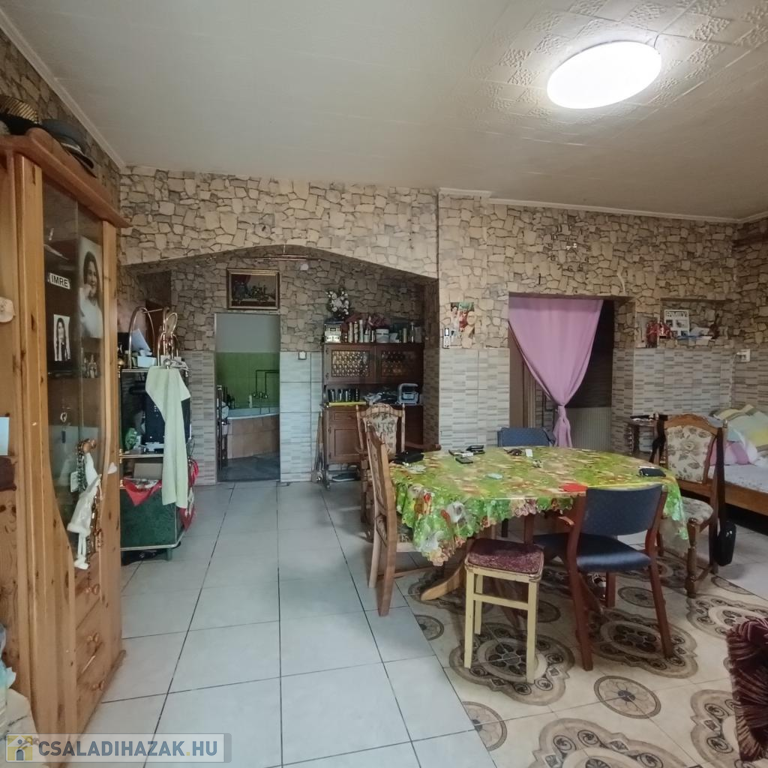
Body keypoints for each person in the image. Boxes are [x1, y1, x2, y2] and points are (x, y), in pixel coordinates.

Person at [79, 250, 103, 338]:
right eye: (89, 273)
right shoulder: (80, 295)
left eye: (95, 274)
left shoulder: (100, 306)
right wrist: (83, 294)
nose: (93, 279)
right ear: (85, 275)